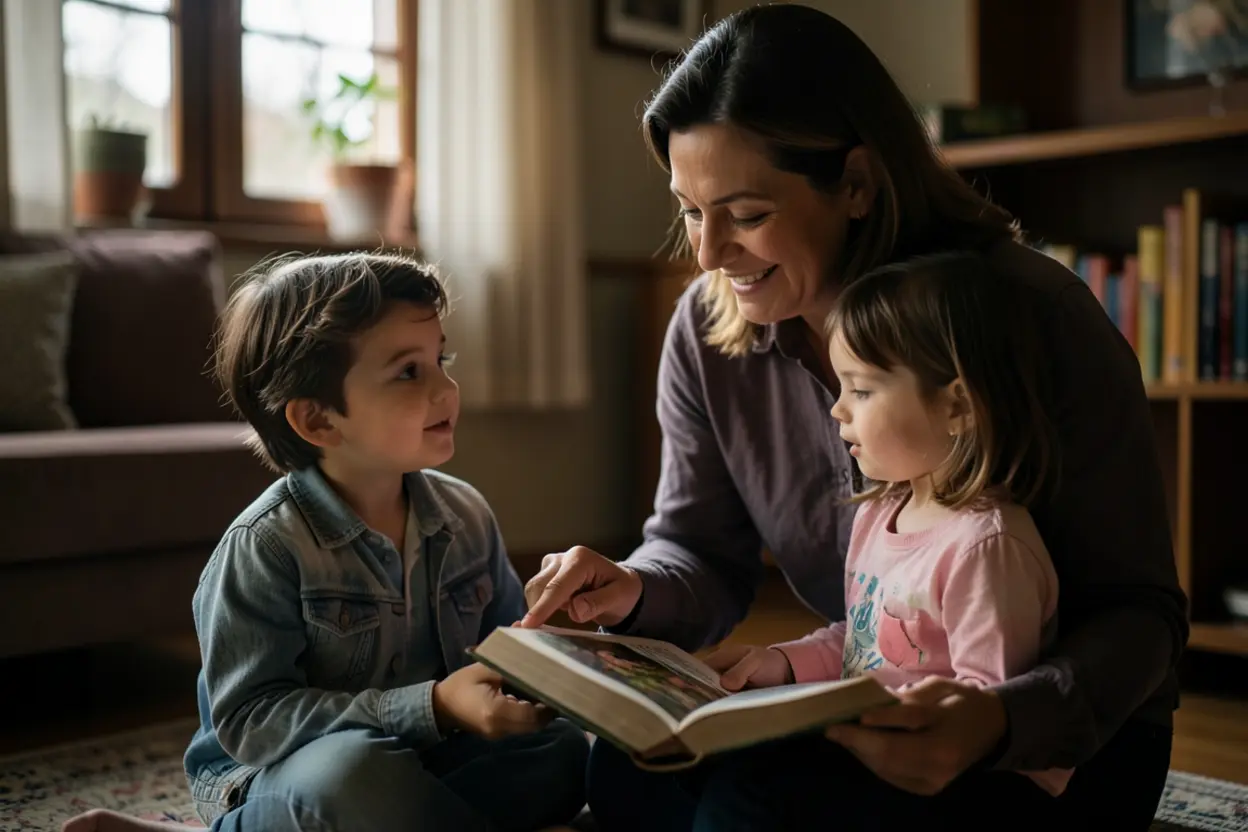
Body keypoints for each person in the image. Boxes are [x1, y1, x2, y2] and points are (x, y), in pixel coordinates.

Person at [519, 4, 1186, 829]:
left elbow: (1140, 612)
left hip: (1063, 747)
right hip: (877, 700)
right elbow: (696, 550)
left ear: (859, 185)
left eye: (748, 214)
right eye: (691, 211)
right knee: (627, 773)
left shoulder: (1031, 318)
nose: (708, 254)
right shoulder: (705, 331)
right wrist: (630, 589)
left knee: (752, 802)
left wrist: (999, 720)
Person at [62, 253, 588, 832]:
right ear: (318, 422)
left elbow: (504, 651)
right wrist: (433, 705)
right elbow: (252, 721)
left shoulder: (465, 514)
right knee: (356, 781)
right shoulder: (266, 547)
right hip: (283, 768)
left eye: (441, 358)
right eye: (409, 372)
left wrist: (555, 658)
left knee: (560, 753)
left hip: (427, 755)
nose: (447, 387)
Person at [682, 250, 1074, 829]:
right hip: (880, 754)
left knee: (751, 797)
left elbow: (986, 709)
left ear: (957, 406)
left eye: (861, 391)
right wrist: (781, 666)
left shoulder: (985, 547)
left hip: (971, 786)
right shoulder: (882, 511)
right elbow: (858, 640)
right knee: (669, 772)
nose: (837, 409)